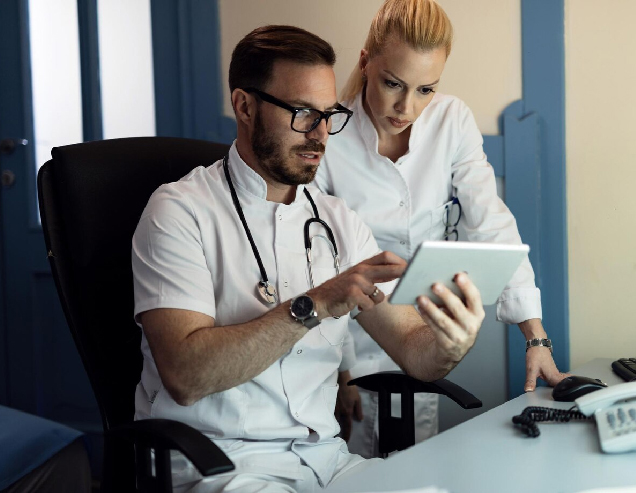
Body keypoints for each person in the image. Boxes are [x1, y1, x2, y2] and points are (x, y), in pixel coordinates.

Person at [132, 25, 485, 493]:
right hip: (223, 467)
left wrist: (450, 342)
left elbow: (415, 352)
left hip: (327, 462)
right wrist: (313, 305)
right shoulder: (179, 211)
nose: (320, 134)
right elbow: (185, 376)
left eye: (328, 115)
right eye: (303, 113)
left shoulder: (341, 222)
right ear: (244, 106)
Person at [314, 0, 568, 459]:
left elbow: (491, 222)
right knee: (354, 466)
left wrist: (536, 336)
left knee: (415, 461)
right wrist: (340, 369)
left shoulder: (452, 120)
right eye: (393, 83)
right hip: (345, 332)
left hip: (424, 328)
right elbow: (320, 257)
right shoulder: (329, 133)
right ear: (366, 62)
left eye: (425, 89)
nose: (406, 107)